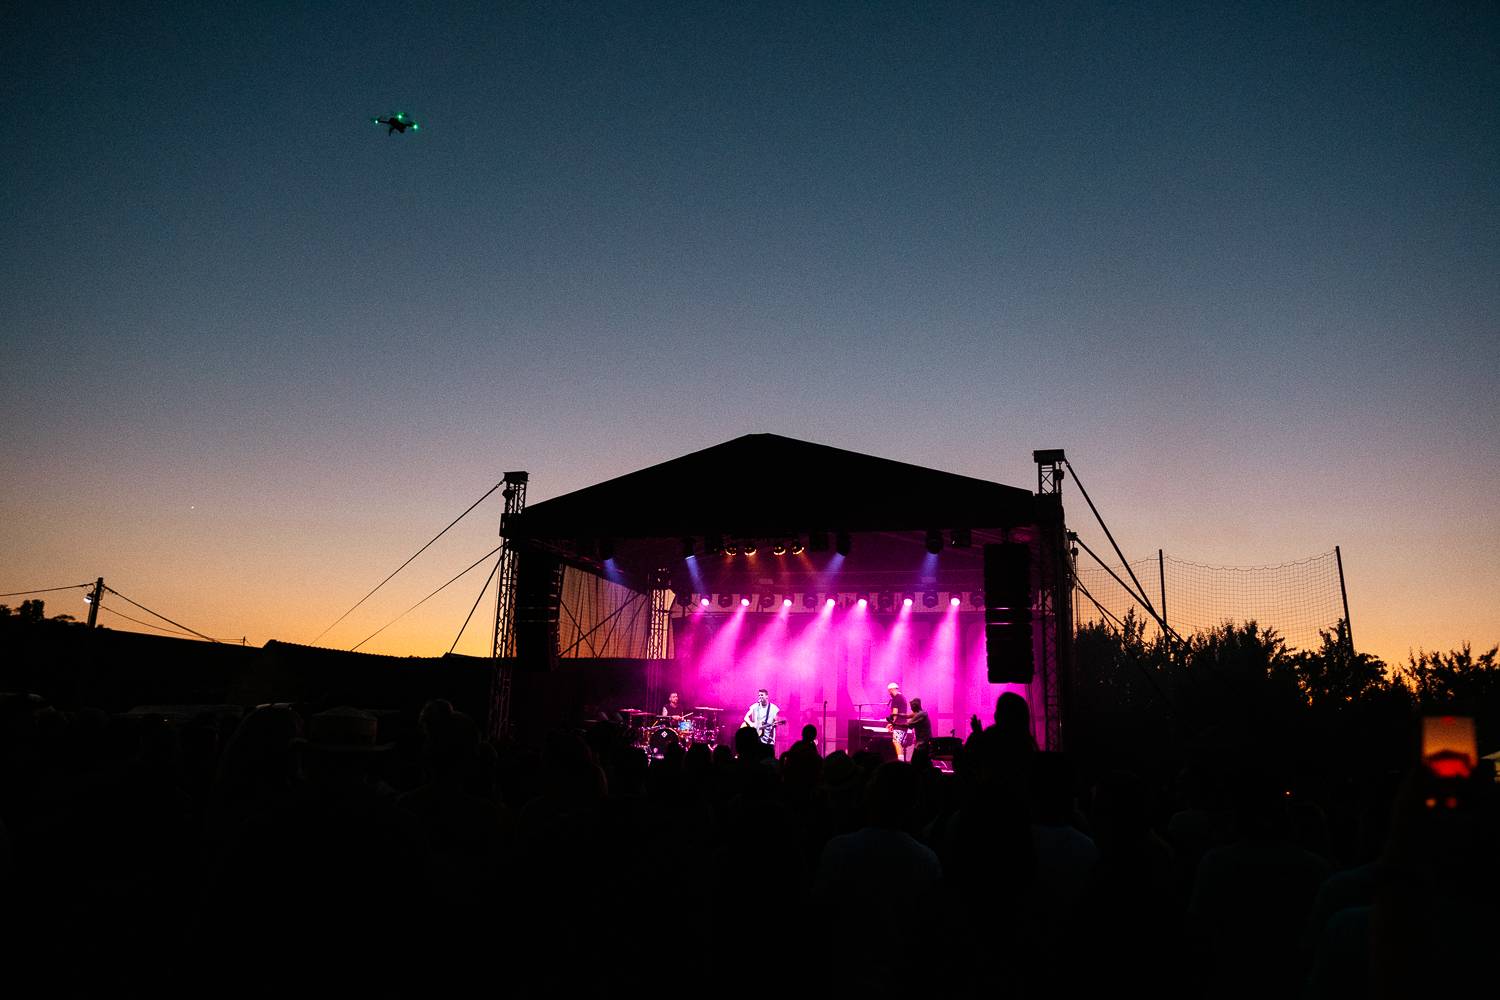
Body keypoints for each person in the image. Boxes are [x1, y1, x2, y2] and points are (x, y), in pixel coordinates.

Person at [887, 682, 912, 762]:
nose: (889, 693)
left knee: (897, 743)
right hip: (904, 725)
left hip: (898, 725)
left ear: (891, 690)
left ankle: (900, 763)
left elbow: (895, 713)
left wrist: (891, 723)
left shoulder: (896, 698)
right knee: (899, 744)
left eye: (889, 691)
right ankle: (901, 762)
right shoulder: (902, 697)